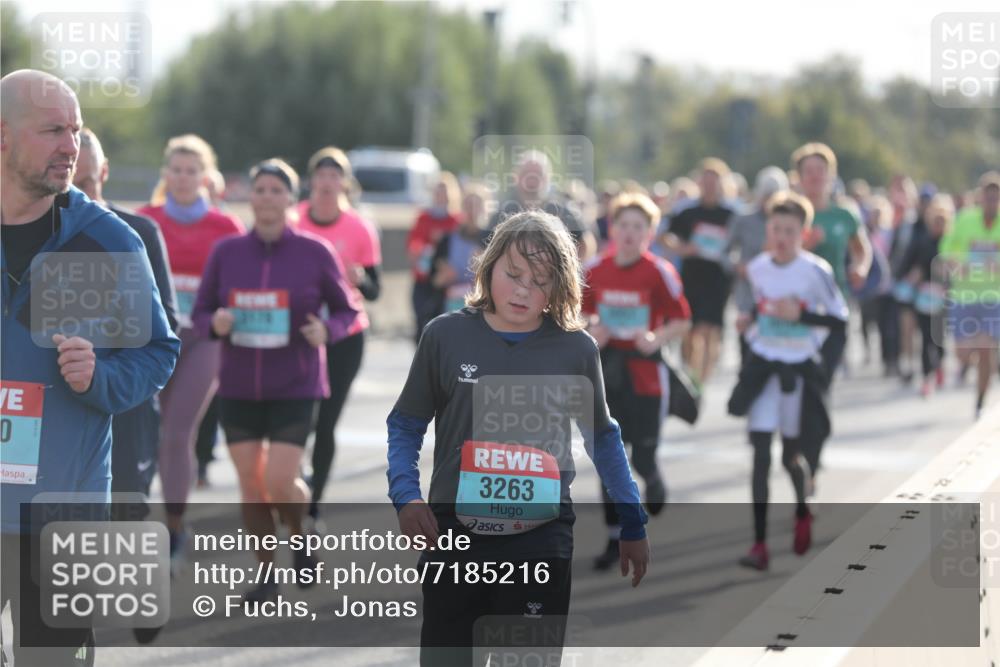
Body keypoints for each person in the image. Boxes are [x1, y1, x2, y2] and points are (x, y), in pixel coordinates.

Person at [387, 210, 650, 666]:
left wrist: (632, 519)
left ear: (560, 288)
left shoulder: (576, 348)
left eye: (542, 280)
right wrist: (406, 495)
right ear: (489, 268)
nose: (525, 289)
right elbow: (406, 424)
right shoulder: (445, 336)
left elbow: (602, 437)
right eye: (514, 274)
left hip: (540, 539)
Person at [1, 69, 179, 666]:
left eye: (75, 131)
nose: (69, 146)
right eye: (52, 130)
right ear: (2, 137)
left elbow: (159, 351)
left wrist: (98, 378)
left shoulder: (106, 240)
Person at [192, 159, 360, 602]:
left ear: (291, 198)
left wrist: (330, 330)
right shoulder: (227, 252)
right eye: (260, 189)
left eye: (276, 190)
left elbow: (348, 309)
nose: (267, 198)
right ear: (250, 196)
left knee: (282, 479)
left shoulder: (315, 251)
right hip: (238, 384)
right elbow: (201, 311)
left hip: (297, 381)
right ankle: (266, 571)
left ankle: (301, 531)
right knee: (252, 482)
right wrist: (218, 322)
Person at [137, 134, 244, 568]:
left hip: (201, 342)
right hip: (149, 339)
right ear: (166, 174)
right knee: (144, 431)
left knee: (178, 432)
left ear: (206, 177)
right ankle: (135, 521)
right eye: (175, 170)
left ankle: (174, 528)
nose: (182, 178)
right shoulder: (144, 219)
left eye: (191, 170)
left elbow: (240, 284)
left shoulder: (225, 228)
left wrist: (223, 313)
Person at [728, 192, 848, 570]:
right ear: (768, 230)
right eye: (776, 229)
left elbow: (839, 321)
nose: (782, 236)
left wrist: (803, 314)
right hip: (765, 366)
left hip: (797, 371)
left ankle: (801, 510)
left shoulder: (816, 271)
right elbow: (758, 306)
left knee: (790, 457)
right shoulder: (759, 267)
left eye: (790, 231)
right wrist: (748, 320)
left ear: (805, 234)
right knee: (759, 457)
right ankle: (759, 545)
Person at [582, 193, 691, 570]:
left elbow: (682, 320)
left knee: (641, 456)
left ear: (651, 232)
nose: (629, 233)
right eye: (623, 225)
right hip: (606, 372)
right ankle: (614, 537)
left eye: (637, 227)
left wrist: (656, 338)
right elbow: (576, 315)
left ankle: (653, 475)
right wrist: (592, 328)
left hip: (646, 375)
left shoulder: (659, 271)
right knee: (607, 457)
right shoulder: (595, 269)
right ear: (612, 229)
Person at [294, 146, 382, 526]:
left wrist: (361, 278)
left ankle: (314, 504)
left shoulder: (359, 227)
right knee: (297, 417)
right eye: (322, 176)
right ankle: (292, 484)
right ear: (312, 181)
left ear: (345, 183)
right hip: (299, 333)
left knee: (326, 421)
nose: (328, 184)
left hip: (345, 335)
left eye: (335, 177)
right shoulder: (294, 219)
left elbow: (375, 289)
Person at [794, 142, 872, 384]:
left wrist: (860, 268)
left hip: (834, 300)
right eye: (809, 170)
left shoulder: (844, 214)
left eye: (821, 169)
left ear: (831, 174)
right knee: (801, 372)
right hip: (798, 301)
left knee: (825, 372)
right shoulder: (790, 211)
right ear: (799, 176)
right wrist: (806, 246)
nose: (815, 176)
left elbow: (861, 249)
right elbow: (771, 254)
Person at [658, 158, 735, 384]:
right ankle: (691, 372)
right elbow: (664, 236)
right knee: (692, 328)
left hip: (719, 277)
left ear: (722, 184)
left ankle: (702, 379)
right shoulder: (687, 211)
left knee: (712, 329)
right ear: (699, 183)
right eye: (706, 181)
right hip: (693, 275)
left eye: (715, 181)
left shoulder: (731, 213)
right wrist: (682, 248)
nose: (710, 185)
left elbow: (740, 243)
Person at [940, 172, 1000, 418]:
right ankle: (970, 363)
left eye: (996, 198)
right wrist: (957, 262)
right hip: (963, 295)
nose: (992, 203)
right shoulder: (965, 219)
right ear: (980, 198)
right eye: (988, 198)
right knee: (963, 353)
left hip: (993, 297)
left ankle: (981, 399)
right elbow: (946, 247)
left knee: (986, 349)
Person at [727, 166, 790, 363]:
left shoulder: (791, 221)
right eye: (767, 195)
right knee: (748, 351)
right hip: (749, 294)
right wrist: (738, 266)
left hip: (781, 294)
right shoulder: (743, 218)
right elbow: (724, 252)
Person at [488, 150, 598, 260]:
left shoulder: (562, 210)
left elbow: (586, 243)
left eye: (537, 174)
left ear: (547, 177)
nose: (532, 179)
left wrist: (567, 271)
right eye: (526, 173)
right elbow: (483, 249)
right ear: (516, 176)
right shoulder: (503, 212)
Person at [899, 194, 951, 398]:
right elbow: (906, 264)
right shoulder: (920, 241)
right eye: (935, 221)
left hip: (944, 297)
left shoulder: (950, 243)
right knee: (924, 338)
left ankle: (939, 364)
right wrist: (912, 275)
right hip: (922, 296)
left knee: (938, 338)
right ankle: (926, 378)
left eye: (942, 222)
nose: (938, 226)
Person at [408, 172, 461, 340]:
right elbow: (413, 245)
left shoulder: (457, 220)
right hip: (424, 279)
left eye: (444, 191)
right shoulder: (424, 218)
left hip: (448, 282)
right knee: (421, 322)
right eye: (437, 191)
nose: (440, 196)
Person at [429, 182, 491, 317]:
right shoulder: (447, 240)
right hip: (451, 308)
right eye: (468, 205)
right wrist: (443, 276)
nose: (472, 211)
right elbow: (433, 280)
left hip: (483, 309)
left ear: (485, 209)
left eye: (477, 205)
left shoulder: (494, 240)